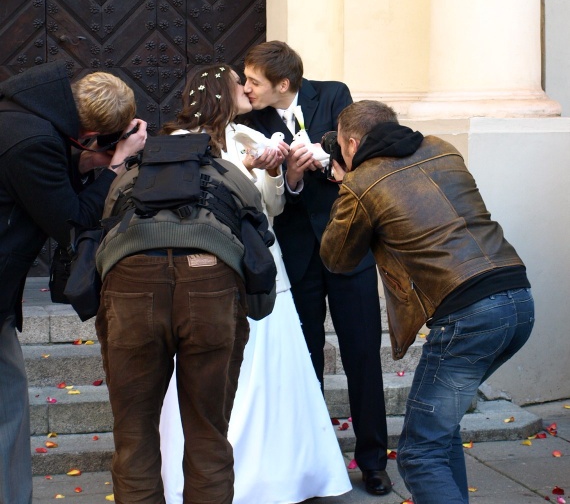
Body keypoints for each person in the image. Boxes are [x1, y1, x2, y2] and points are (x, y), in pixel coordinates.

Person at [320, 100, 535, 504]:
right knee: (440, 432)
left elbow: (336, 259)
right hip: (518, 299)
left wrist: (345, 185)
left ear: (350, 142)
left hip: (469, 315)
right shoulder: (442, 147)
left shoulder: (362, 182)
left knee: (419, 454)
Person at [159, 64, 351, 504]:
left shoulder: (249, 136)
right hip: (206, 272)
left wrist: (278, 173)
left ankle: (279, 473)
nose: (247, 89)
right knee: (215, 374)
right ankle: (216, 475)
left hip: (263, 270)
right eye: (238, 83)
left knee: (271, 370)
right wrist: (240, 169)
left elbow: (271, 207)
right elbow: (190, 200)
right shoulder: (175, 144)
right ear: (219, 93)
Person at [241, 41, 391, 496]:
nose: (246, 89)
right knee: (304, 362)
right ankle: (311, 462)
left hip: (349, 247)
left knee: (363, 355)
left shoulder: (333, 95)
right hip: (297, 256)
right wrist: (292, 176)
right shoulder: (250, 122)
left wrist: (323, 161)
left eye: (254, 82)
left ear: (283, 84)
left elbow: (358, 159)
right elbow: (269, 193)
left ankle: (373, 460)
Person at [0, 59, 146, 504]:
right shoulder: (32, 142)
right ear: (89, 137)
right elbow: (73, 221)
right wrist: (116, 164)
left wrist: (97, 159)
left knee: (9, 400)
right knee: (7, 406)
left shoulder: (27, 113)